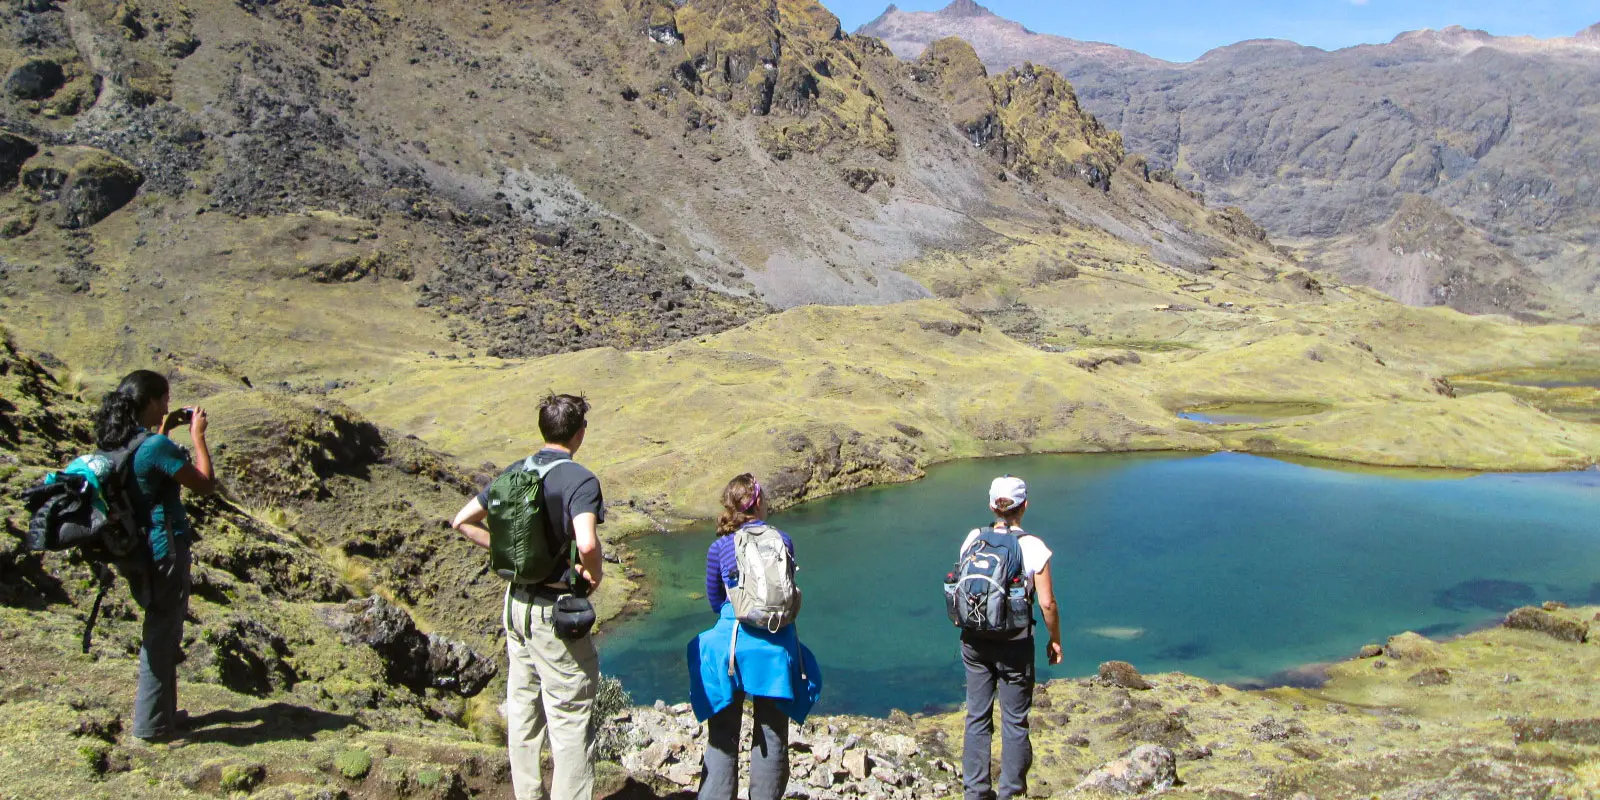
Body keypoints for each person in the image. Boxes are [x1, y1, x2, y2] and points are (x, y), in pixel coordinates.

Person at [451, 393, 605, 800]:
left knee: (522, 710)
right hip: (553, 613)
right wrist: (593, 574)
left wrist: (504, 553)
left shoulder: (515, 471)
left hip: (514, 605)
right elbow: (587, 542)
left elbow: (462, 521)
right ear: (579, 434)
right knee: (570, 716)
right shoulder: (580, 480)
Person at [92, 370, 218, 743]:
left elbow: (147, 470)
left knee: (160, 628)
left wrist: (165, 429)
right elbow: (205, 484)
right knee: (163, 633)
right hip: (166, 548)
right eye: (163, 400)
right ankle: (152, 728)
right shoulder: (153, 448)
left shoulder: (120, 442)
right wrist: (197, 437)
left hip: (141, 548)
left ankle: (161, 714)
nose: (167, 406)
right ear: (148, 400)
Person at [687, 474, 821, 800]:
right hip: (775, 647)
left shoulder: (720, 546)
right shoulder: (783, 540)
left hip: (731, 647)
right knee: (772, 735)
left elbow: (715, 601)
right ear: (758, 502)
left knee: (722, 735)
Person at [958, 475, 1061, 800]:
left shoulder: (974, 538)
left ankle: (975, 792)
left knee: (977, 715)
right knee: (1014, 720)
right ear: (1024, 506)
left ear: (992, 505)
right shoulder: (1033, 546)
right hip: (1015, 643)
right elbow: (1046, 602)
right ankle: (1011, 793)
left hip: (973, 639)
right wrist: (1054, 639)